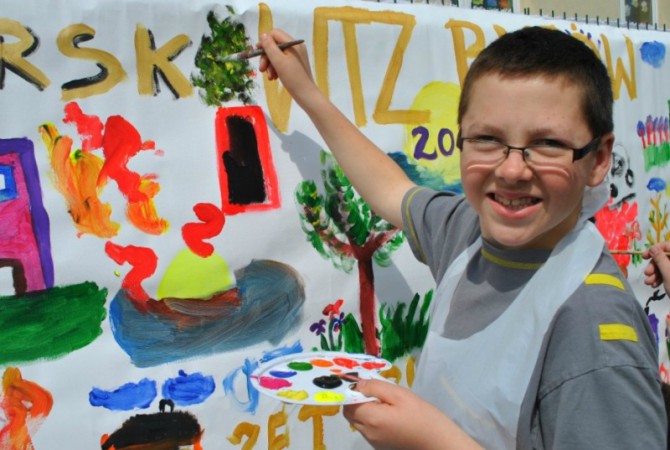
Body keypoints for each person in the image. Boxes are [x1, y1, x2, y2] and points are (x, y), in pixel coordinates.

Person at [258, 26, 667, 449]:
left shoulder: (595, 331)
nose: (511, 170)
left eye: (547, 144)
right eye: (487, 139)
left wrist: (434, 442)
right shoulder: (468, 232)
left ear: (598, 159)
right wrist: (307, 93)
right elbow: (391, 190)